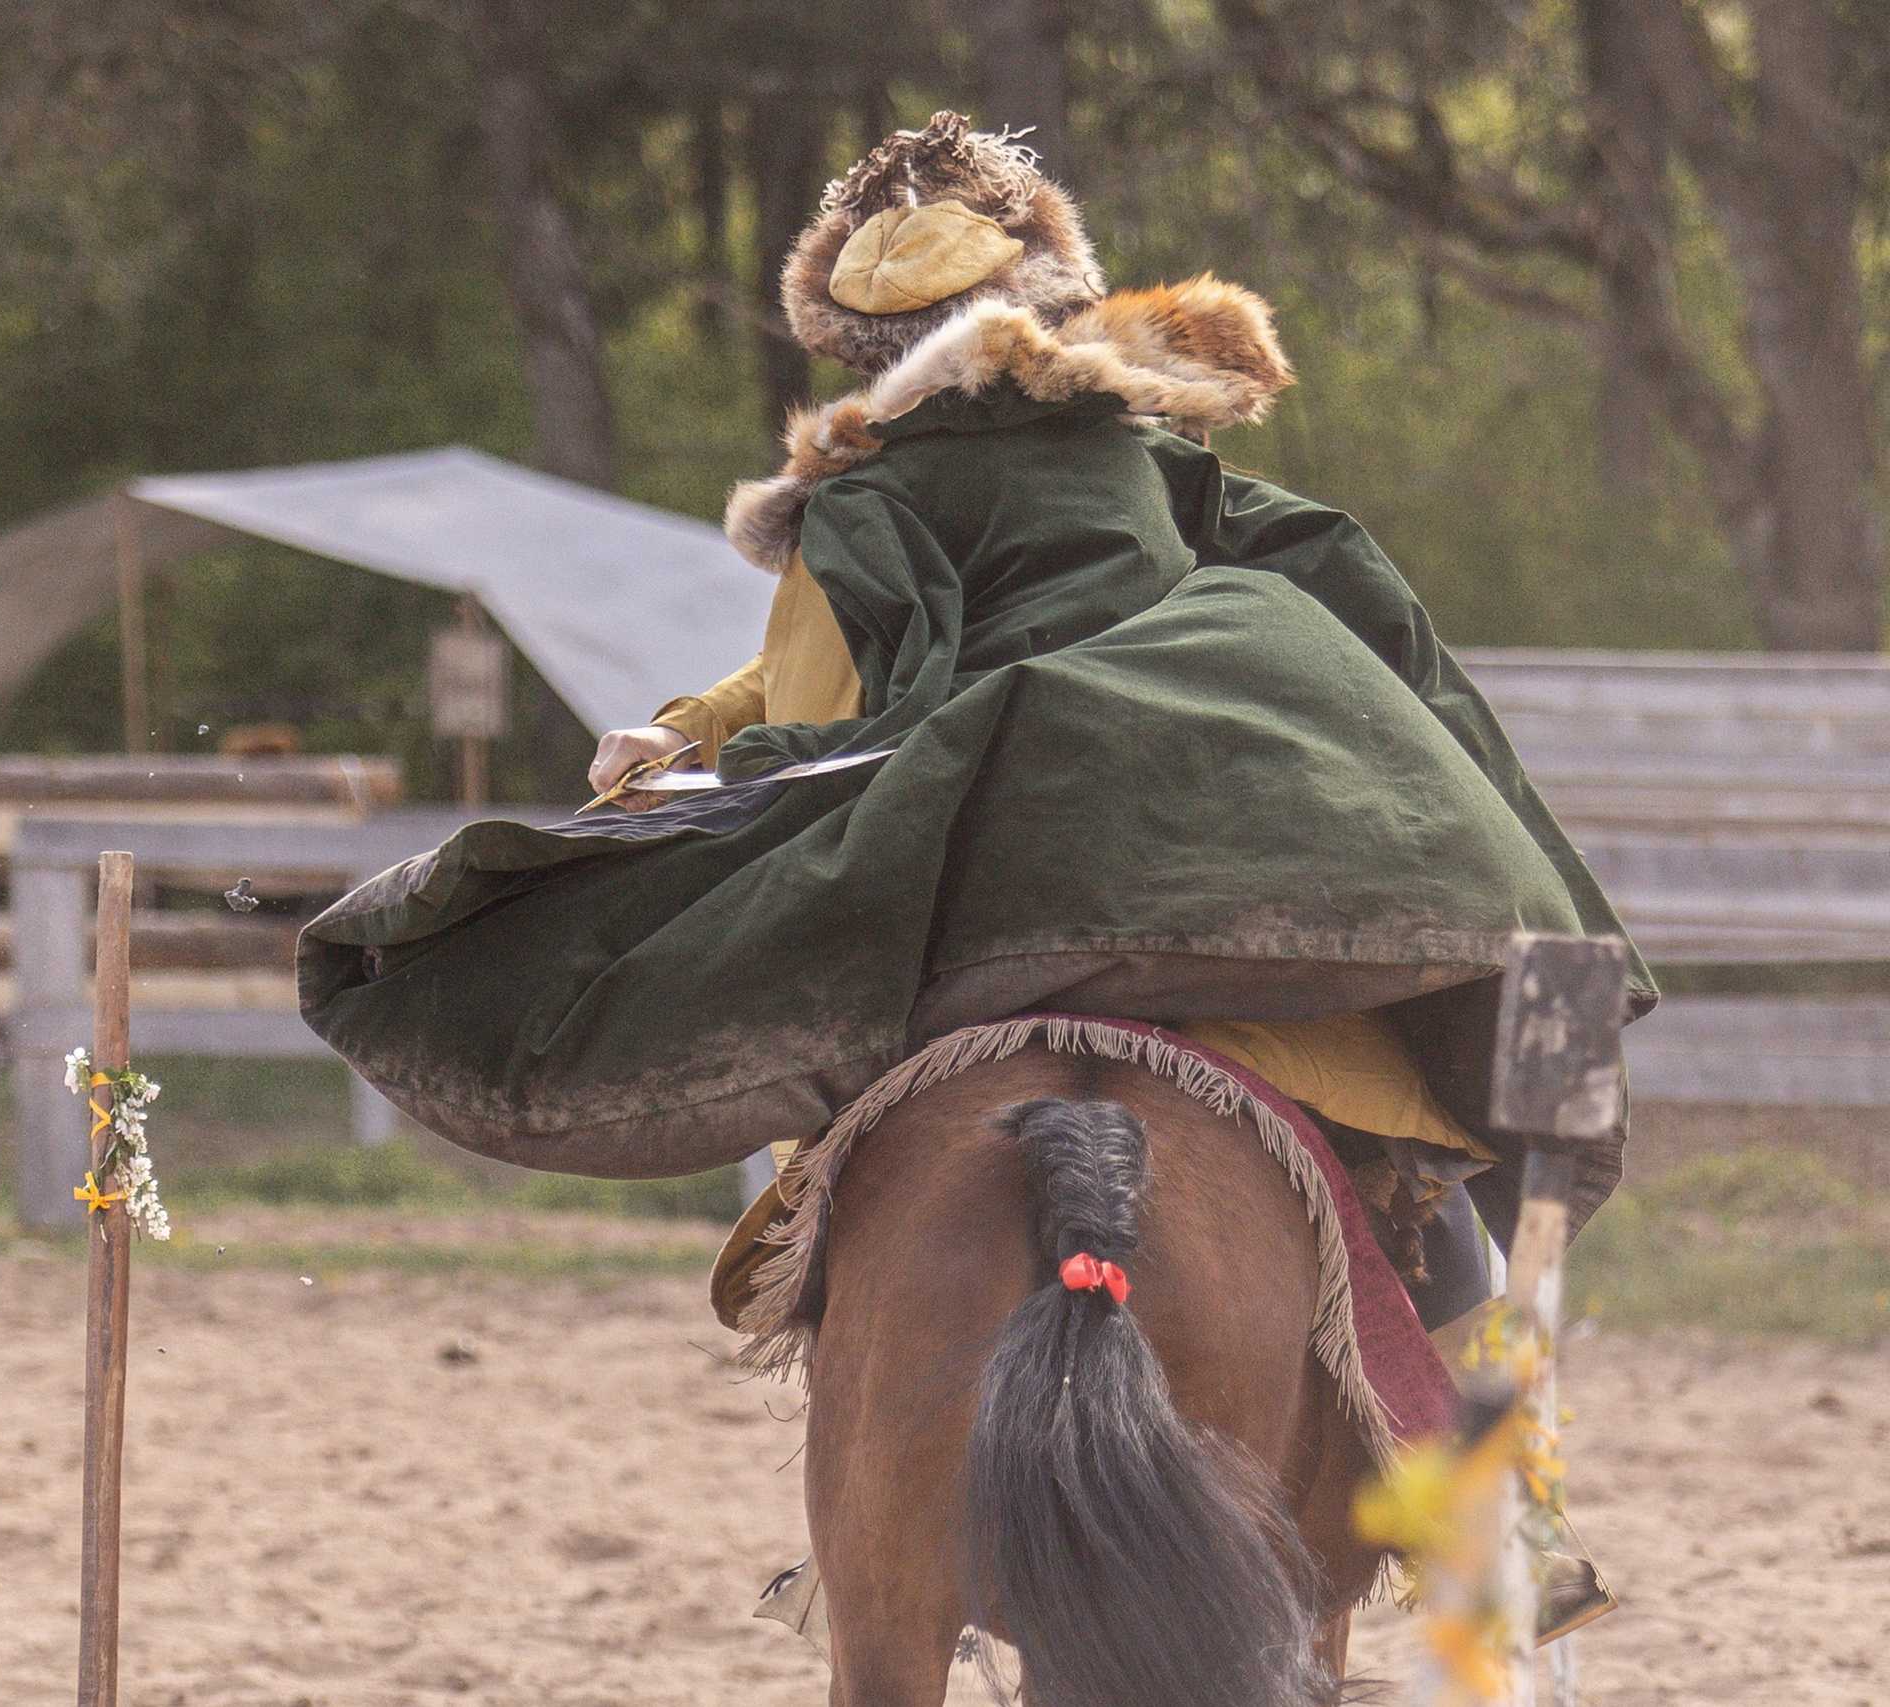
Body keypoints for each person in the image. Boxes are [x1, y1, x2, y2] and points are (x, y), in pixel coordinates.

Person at [304, 112, 1648, 1341]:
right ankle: (1500, 1520)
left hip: (1004, 902)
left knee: (850, 1143)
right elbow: (1375, 630)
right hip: (1226, 873)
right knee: (1420, 1173)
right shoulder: (1151, 466)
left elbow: (834, 709)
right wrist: (700, 720)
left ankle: (854, 1515)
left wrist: (696, 756)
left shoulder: (862, 506)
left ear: (867, 348)